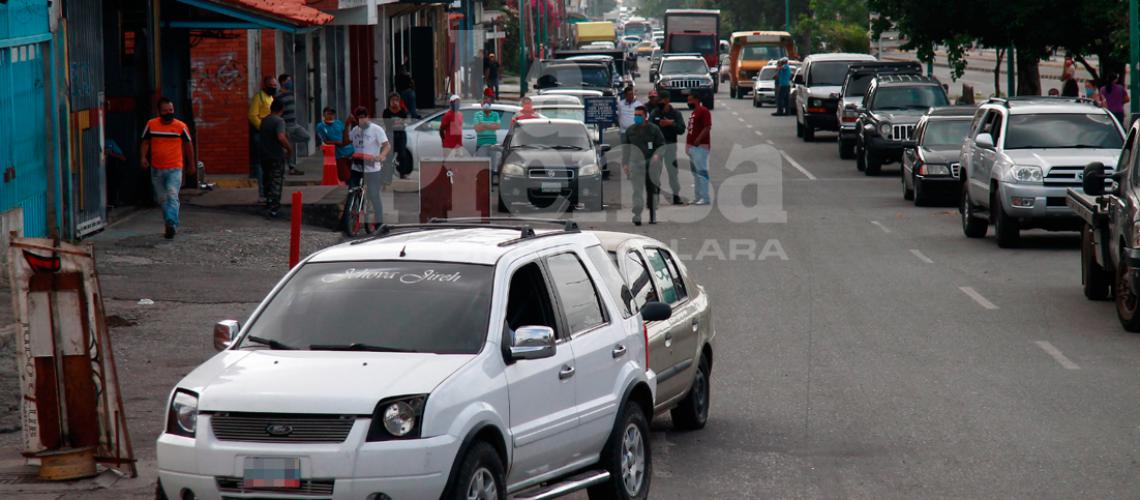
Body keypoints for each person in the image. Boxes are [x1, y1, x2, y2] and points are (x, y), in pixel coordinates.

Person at [140, 97, 195, 239]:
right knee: (162, 198)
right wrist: (143, 157)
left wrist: (191, 164)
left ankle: (171, 222)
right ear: (159, 112)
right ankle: (169, 224)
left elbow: (189, 146)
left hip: (175, 168)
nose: (168, 113)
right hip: (157, 169)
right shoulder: (151, 125)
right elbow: (145, 142)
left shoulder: (181, 127)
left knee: (172, 195)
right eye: (165, 111)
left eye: (171, 110)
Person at [348, 106, 392, 228]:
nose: (362, 120)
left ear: (368, 117)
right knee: (351, 191)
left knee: (373, 194)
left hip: (372, 169)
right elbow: (347, 141)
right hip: (357, 167)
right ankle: (349, 217)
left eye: (363, 117)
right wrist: (347, 124)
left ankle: (379, 224)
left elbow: (387, 145)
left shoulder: (376, 130)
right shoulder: (355, 130)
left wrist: (381, 156)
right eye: (359, 118)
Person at [622, 105, 666, 226]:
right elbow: (626, 148)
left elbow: (662, 146)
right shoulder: (630, 130)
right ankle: (637, 215)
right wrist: (625, 164)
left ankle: (653, 215)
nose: (637, 118)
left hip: (652, 165)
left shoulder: (654, 129)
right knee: (637, 191)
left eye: (639, 115)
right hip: (636, 165)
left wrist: (657, 155)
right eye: (635, 115)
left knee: (652, 190)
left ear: (645, 116)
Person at [649, 93, 686, 204]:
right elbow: (649, 130)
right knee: (655, 172)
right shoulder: (654, 113)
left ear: (667, 100)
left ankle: (676, 196)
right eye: (658, 100)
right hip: (657, 148)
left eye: (662, 100)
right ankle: (655, 197)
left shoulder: (675, 113)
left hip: (670, 146)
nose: (659, 102)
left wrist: (671, 123)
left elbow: (681, 129)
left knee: (673, 172)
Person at [258, 100, 292, 218]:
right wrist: (289, 149)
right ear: (282, 110)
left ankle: (268, 202)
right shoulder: (279, 121)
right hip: (276, 155)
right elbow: (281, 137)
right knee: (276, 181)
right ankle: (274, 208)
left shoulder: (264, 120)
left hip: (264, 155)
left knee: (267, 179)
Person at [248, 76, 278, 200]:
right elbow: (252, 115)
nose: (273, 87)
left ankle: (268, 190)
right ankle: (262, 192)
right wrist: (264, 128)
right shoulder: (259, 97)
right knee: (261, 164)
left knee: (268, 164)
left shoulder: (271, 98)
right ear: (264, 85)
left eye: (275, 85)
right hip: (260, 134)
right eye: (271, 85)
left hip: (269, 134)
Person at [276, 74, 309, 176]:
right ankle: (291, 167)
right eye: (288, 80)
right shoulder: (278, 96)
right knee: (290, 147)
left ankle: (288, 141)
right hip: (286, 125)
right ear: (282, 82)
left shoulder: (291, 94)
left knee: (306, 136)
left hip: (294, 124)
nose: (290, 82)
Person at [686, 92, 712, 205]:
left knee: (701, 172)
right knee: (695, 174)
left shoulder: (703, 111)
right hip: (692, 147)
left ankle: (705, 197)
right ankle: (698, 196)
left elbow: (707, 127)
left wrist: (698, 139)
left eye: (690, 100)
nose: (688, 102)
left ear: (697, 100)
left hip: (700, 147)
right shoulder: (694, 113)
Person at [316, 107, 353, 184]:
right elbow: (324, 141)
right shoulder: (321, 126)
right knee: (345, 176)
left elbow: (345, 134)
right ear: (324, 115)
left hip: (349, 151)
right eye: (328, 114)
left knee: (354, 174)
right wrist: (336, 142)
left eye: (332, 114)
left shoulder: (338, 122)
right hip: (338, 154)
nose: (330, 116)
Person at [381, 92, 413, 180]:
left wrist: (399, 111)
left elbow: (406, 121)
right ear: (389, 101)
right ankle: (387, 175)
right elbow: (387, 123)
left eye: (396, 100)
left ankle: (403, 173)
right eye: (392, 100)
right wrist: (398, 122)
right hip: (390, 134)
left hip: (401, 134)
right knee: (389, 155)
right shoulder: (386, 112)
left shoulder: (402, 110)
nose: (394, 102)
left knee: (402, 154)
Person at [474, 97, 502, 170]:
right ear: (481, 104)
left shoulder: (495, 114)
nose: (486, 104)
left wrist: (483, 124)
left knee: (493, 167)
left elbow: (498, 126)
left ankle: (492, 181)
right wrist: (491, 125)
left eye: (488, 103)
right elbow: (477, 128)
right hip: (481, 144)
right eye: (484, 103)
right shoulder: (477, 114)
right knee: (481, 167)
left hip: (493, 145)